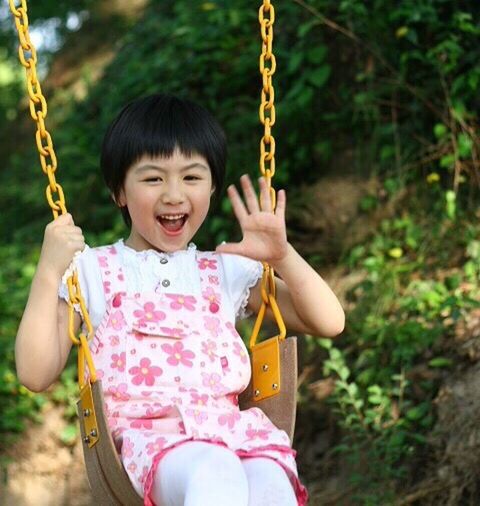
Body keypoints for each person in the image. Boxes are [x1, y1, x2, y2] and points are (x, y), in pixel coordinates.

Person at [15, 94, 344, 506]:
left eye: (191, 177)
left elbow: (329, 321)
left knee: (271, 484)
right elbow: (35, 372)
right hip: (148, 444)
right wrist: (48, 273)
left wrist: (283, 257)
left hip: (235, 433)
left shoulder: (225, 269)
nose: (173, 194)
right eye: (153, 179)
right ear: (120, 191)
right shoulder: (93, 272)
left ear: (211, 186)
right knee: (214, 471)